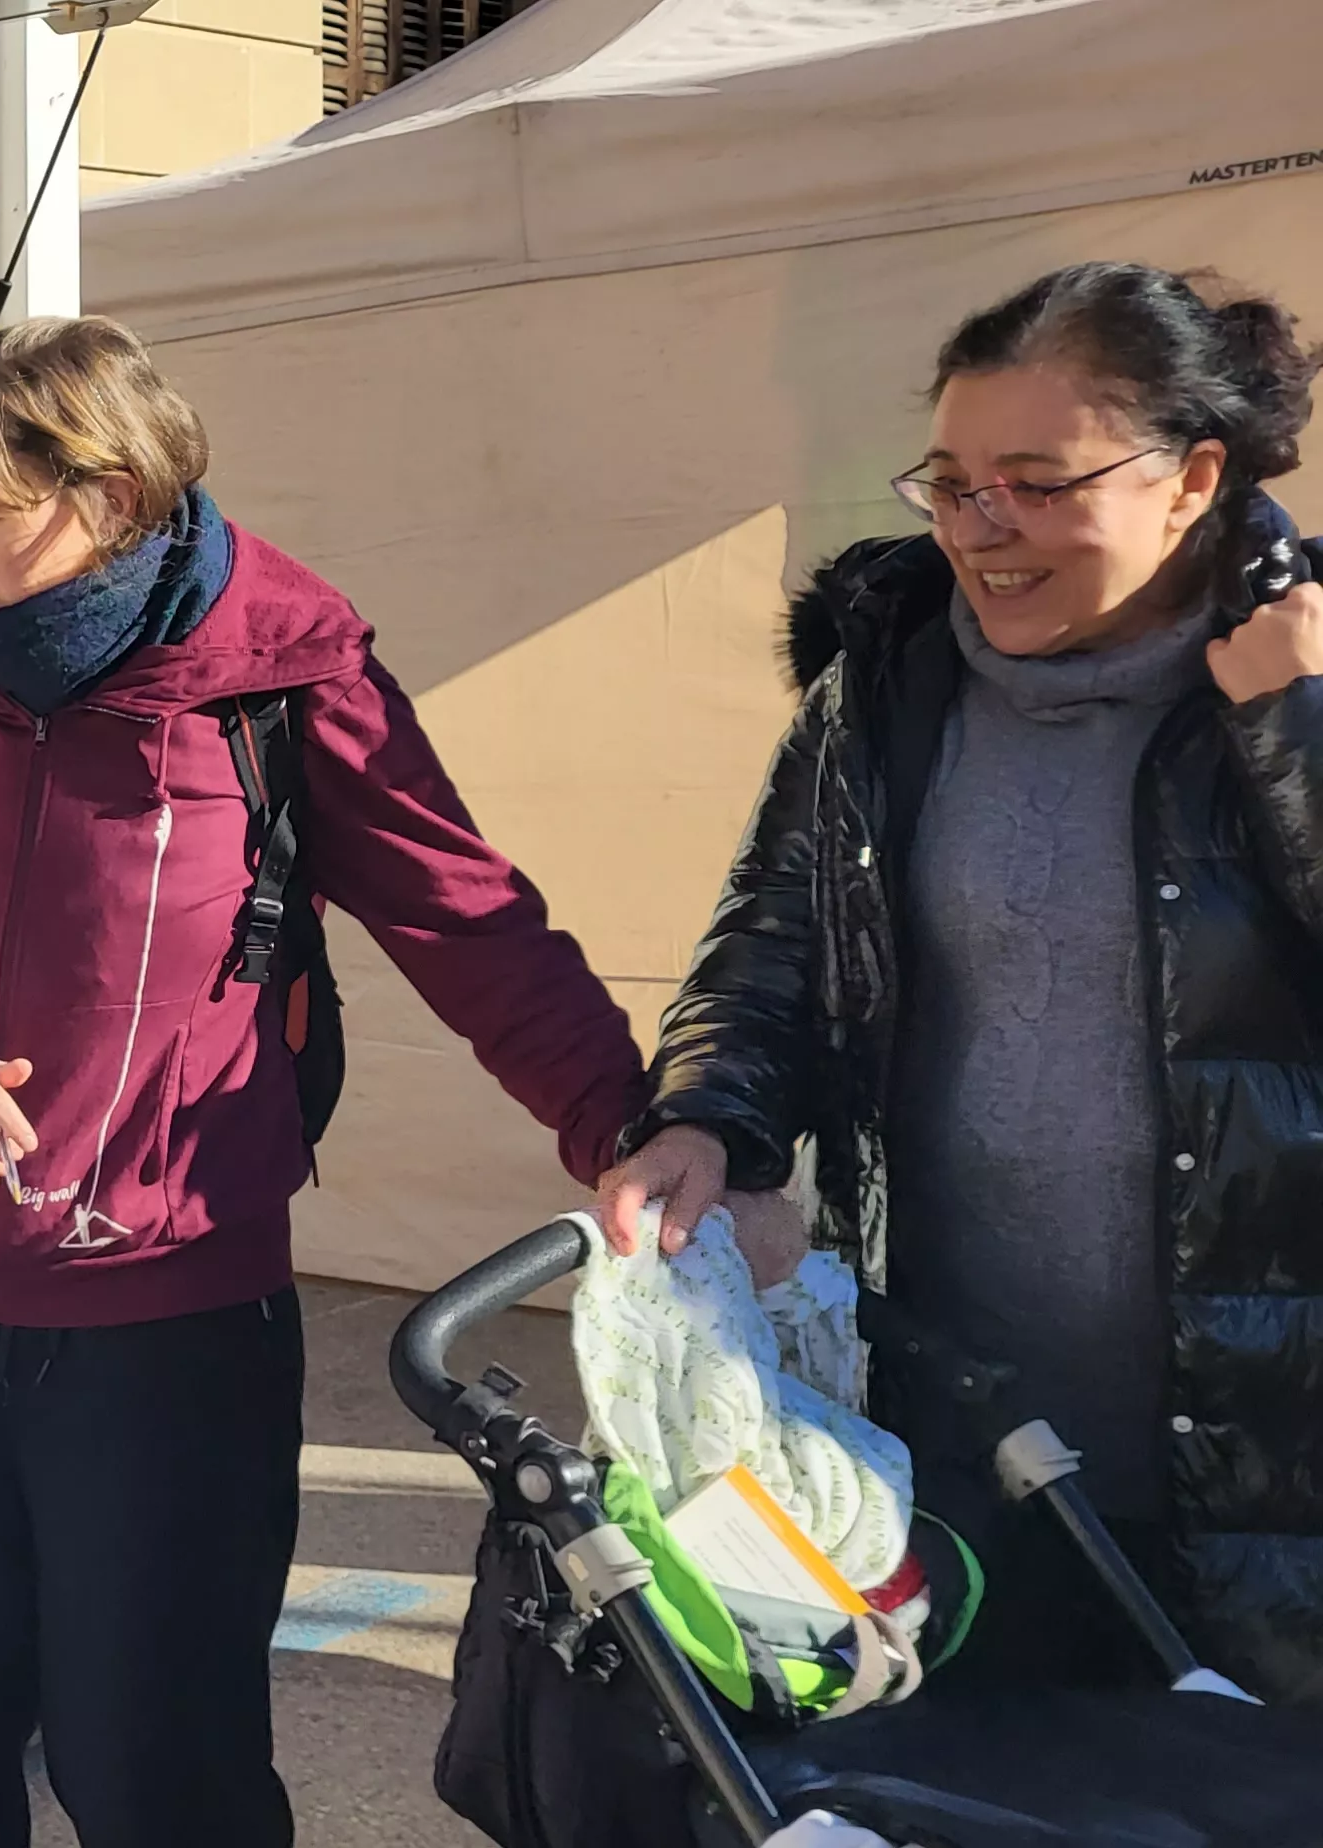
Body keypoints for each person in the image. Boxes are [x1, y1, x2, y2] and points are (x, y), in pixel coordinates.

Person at [0, 316, 657, 1847]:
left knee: (158, 1774)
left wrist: (628, 1128)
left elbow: (469, 924)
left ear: (109, 495)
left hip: (165, 1328)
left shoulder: (286, 687)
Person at [596, 263, 1323, 1704]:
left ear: (1191, 478)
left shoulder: (1298, 683)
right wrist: (704, 1122)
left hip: (1273, 1460)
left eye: (1038, 485)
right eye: (952, 483)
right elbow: (771, 956)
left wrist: (1298, 731)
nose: (984, 531)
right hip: (953, 1430)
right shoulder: (884, 687)